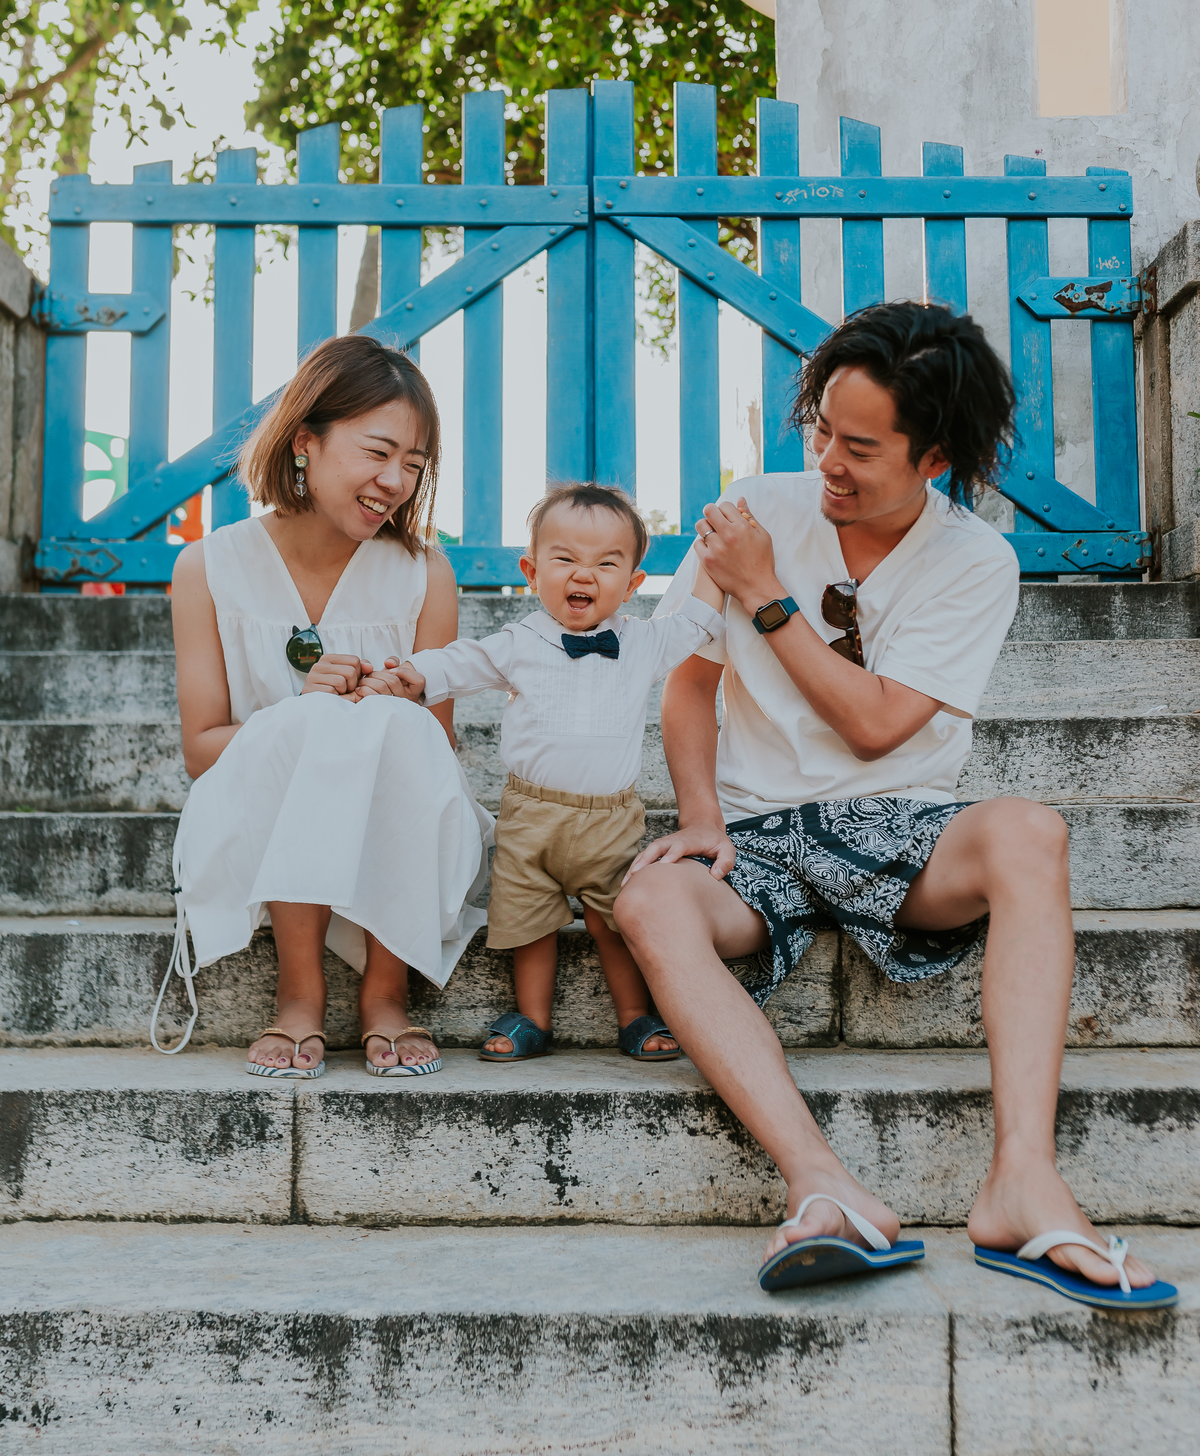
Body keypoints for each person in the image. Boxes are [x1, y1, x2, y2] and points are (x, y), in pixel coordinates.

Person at [614, 301, 1175, 1310]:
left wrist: (768, 596)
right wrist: (699, 816)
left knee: (1030, 831)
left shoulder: (974, 563)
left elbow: (878, 726)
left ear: (933, 457)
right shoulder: (754, 511)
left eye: (859, 445)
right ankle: (824, 1183)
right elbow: (688, 683)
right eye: (820, 426)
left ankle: (1023, 1179)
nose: (827, 458)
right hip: (755, 836)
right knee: (649, 899)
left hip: (898, 827)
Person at [155, 334, 492, 1082]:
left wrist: (387, 701)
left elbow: (435, 752)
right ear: (306, 441)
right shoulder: (208, 567)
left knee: (390, 724)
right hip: (260, 810)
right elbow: (204, 749)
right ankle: (299, 987)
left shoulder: (423, 571)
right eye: (379, 453)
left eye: (414, 464)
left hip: (392, 816)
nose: (396, 481)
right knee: (307, 723)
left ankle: (386, 990)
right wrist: (299, 711)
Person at [380, 482, 725, 1061]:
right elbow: (464, 662)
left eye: (605, 563)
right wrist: (413, 674)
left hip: (610, 821)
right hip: (530, 815)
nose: (583, 575)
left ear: (634, 583)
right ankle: (531, 1018)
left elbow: (697, 619)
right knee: (528, 921)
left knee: (616, 923)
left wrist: (717, 554)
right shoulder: (521, 640)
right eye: (564, 559)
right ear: (532, 570)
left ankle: (635, 1016)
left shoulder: (642, 641)